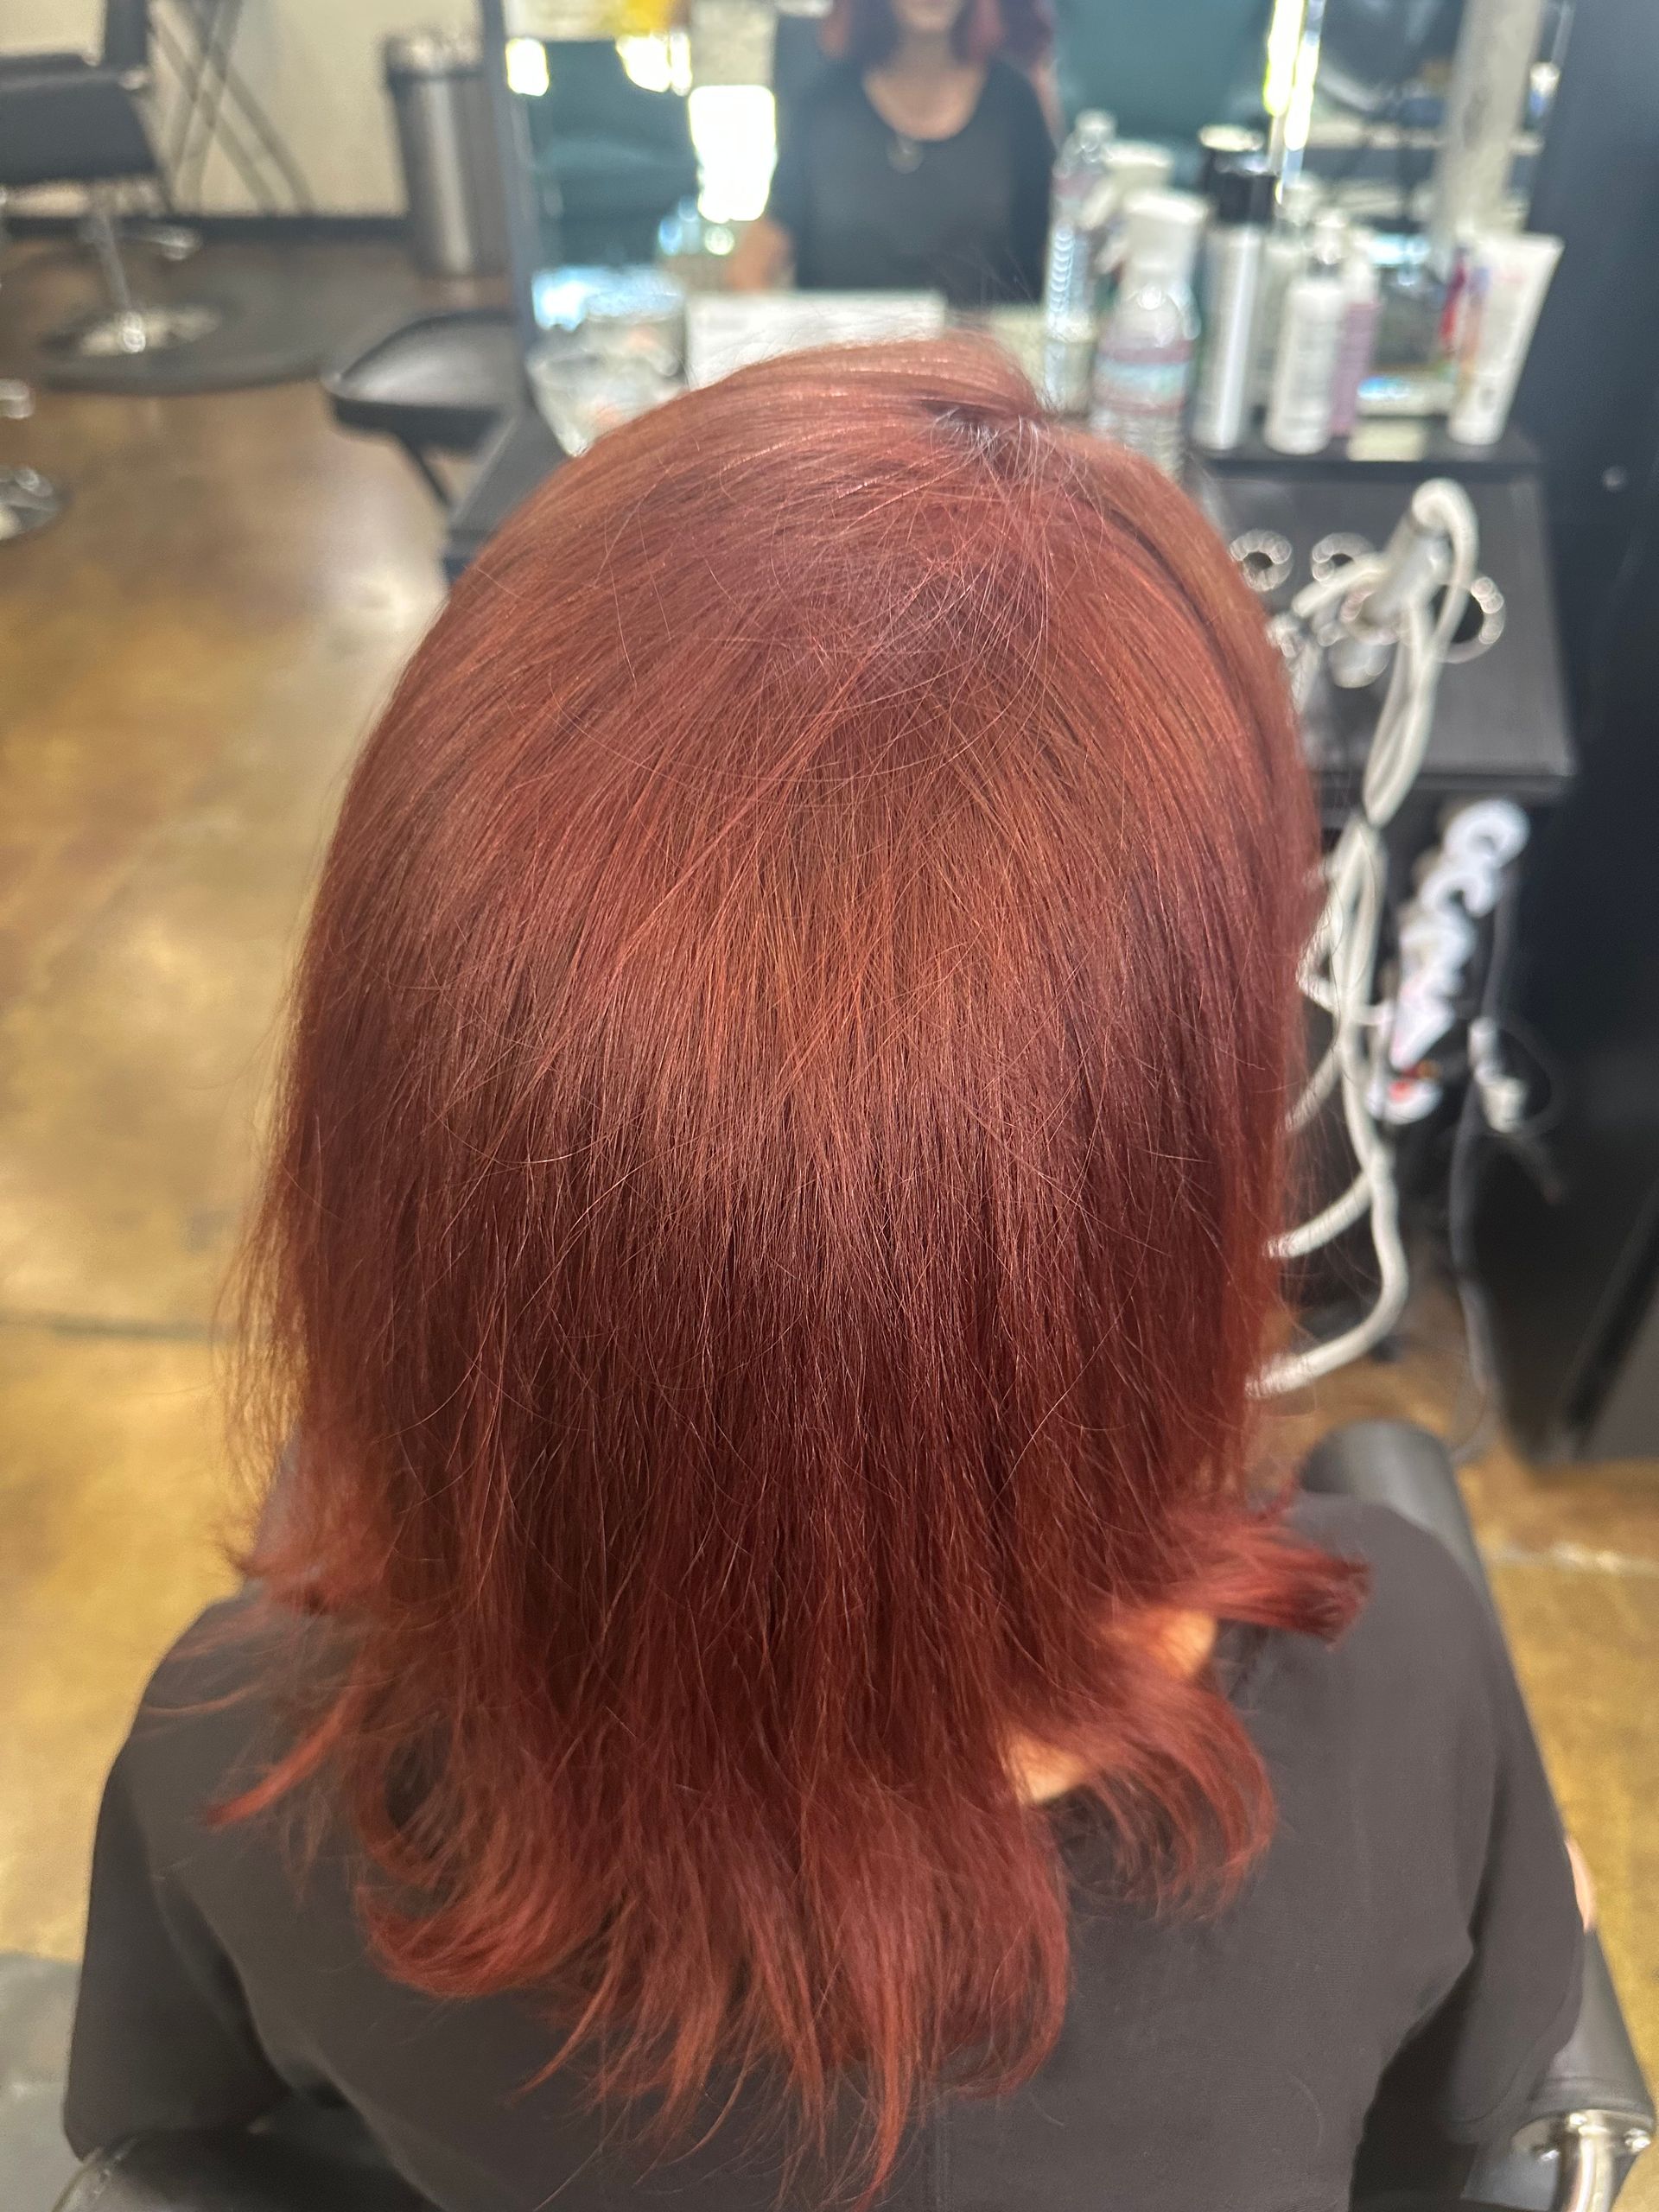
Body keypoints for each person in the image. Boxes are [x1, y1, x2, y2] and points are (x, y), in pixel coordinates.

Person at [66, 342, 1585, 2212]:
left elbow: (172, 2138)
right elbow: (1483, 2121)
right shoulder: (1404, 1695)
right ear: (1174, 1143)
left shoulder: (251, 1758)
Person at [728, 0, 1055, 304]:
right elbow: (748, 270)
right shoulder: (825, 104)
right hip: (850, 356)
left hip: (978, 357)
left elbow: (1059, 248)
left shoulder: (1014, 102)